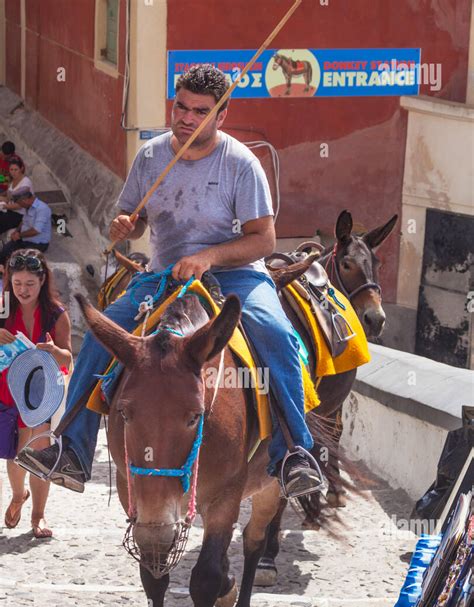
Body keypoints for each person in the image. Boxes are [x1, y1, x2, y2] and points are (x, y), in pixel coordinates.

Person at [16, 65, 319, 498]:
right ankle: (74, 451)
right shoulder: (151, 157)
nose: (187, 118)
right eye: (181, 106)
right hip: (163, 275)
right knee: (103, 335)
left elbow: (264, 239)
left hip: (236, 275)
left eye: (200, 111)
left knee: (275, 334)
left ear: (221, 116)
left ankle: (294, 453)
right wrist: (127, 225)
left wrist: (208, 257)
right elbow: (136, 220)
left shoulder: (241, 164)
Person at [0, 248, 72, 537]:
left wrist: (56, 351)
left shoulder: (56, 313)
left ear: (42, 282)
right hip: (7, 389)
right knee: (16, 454)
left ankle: (38, 517)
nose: (23, 290)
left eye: (30, 284)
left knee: (40, 452)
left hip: (42, 390)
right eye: (17, 283)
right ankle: (19, 495)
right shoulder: (2, 308)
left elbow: (68, 357)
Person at [0, 191, 51, 268]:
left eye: (20, 203)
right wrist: (16, 231)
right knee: (5, 250)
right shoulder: (28, 206)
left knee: (19, 260)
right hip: (24, 239)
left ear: (25, 200)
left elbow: (36, 230)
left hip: (38, 243)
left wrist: (19, 235)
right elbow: (23, 221)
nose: (20, 206)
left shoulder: (42, 209)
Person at [0, 158, 34, 235]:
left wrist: (3, 206)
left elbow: (19, 206)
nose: (13, 172)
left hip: (20, 214)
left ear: (21, 169)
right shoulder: (12, 181)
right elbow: (8, 198)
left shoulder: (25, 184)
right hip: (10, 210)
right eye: (11, 169)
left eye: (16, 169)